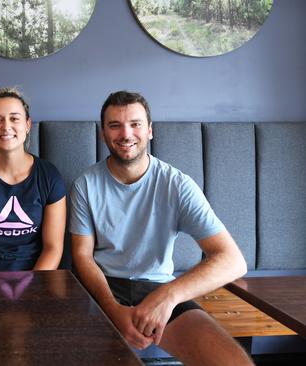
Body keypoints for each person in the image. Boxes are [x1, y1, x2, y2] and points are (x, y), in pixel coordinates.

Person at [69, 91, 252, 365]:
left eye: (135, 124)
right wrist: (114, 310)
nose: (125, 133)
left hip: (158, 287)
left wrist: (168, 296)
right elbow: (82, 257)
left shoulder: (177, 185)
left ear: (150, 131)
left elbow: (233, 261)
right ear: (103, 134)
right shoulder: (86, 184)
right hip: (101, 289)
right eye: (115, 125)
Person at [0, 87, 66, 272]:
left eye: (14, 118)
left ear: (28, 124)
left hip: (37, 276)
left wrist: (33, 288)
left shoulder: (49, 176)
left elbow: (53, 248)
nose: (6, 127)